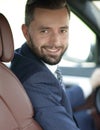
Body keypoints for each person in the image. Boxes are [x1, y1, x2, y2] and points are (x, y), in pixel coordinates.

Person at [10, 0, 99, 130]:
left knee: (87, 118)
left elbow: (55, 97)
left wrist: (90, 84)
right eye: (45, 31)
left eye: (62, 30)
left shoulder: (23, 57)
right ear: (26, 32)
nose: (55, 42)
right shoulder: (35, 79)